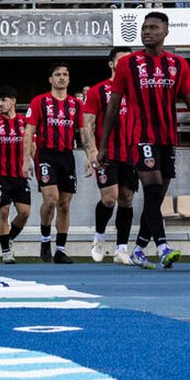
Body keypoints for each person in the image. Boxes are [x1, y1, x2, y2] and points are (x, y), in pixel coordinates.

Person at [101, 12, 190, 269]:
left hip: (167, 137)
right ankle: (163, 246)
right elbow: (113, 106)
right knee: (152, 188)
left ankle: (139, 248)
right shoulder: (128, 64)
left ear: (166, 32)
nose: (147, 31)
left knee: (156, 197)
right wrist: (103, 145)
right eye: (144, 27)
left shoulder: (178, 64)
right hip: (141, 136)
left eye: (153, 27)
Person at [82, 48, 137, 264]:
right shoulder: (99, 90)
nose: (125, 64)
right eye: (120, 61)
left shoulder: (136, 91)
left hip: (130, 153)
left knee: (127, 199)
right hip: (107, 153)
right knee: (109, 198)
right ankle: (99, 237)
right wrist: (92, 152)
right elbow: (87, 123)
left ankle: (121, 249)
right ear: (111, 64)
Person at [23, 63, 82, 264]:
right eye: (57, 74)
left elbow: (84, 131)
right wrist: (25, 160)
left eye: (65, 74)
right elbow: (29, 131)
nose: (61, 77)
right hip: (46, 154)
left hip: (67, 156)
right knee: (51, 199)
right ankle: (45, 239)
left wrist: (92, 156)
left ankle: (60, 250)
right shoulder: (40, 101)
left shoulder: (75, 104)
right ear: (50, 79)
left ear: (69, 79)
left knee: (64, 204)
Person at [0, 88, 32, 264]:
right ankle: (6, 252)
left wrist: (34, 164)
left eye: (3, 100)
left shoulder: (25, 122)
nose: (0, 104)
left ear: (13, 101)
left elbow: (32, 145)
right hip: (0, 176)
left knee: (24, 213)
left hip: (20, 176)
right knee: (3, 212)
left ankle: (8, 238)